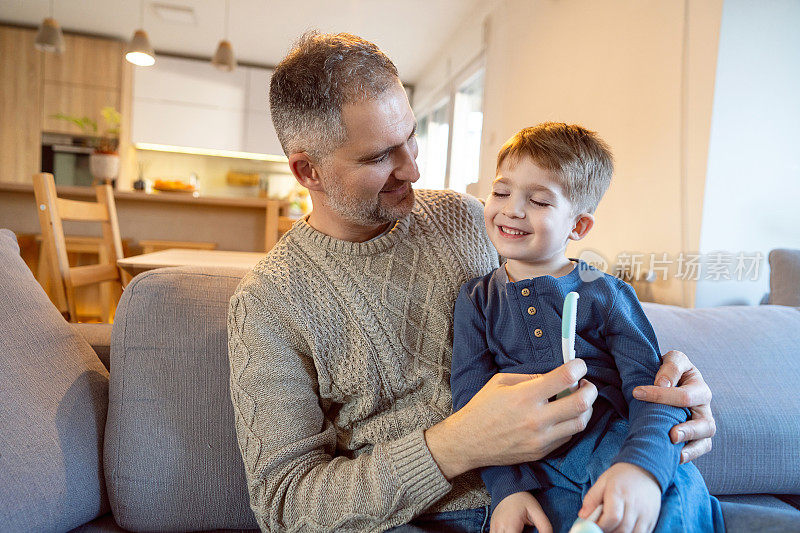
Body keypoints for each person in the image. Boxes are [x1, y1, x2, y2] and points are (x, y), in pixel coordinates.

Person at [226, 32, 717, 532]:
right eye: (379, 158)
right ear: (307, 170)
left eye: (411, 137)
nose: (412, 168)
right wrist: (461, 444)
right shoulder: (268, 302)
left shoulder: (468, 219)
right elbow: (285, 507)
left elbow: (566, 308)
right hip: (422, 517)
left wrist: (665, 400)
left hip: (566, 480)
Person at [450, 123, 724, 533]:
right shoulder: (475, 299)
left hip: (620, 447)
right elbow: (470, 400)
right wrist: (507, 490)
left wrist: (642, 470)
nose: (512, 209)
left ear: (577, 227)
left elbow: (654, 391)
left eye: (539, 200)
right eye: (502, 192)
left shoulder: (607, 293)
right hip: (539, 473)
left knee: (674, 502)